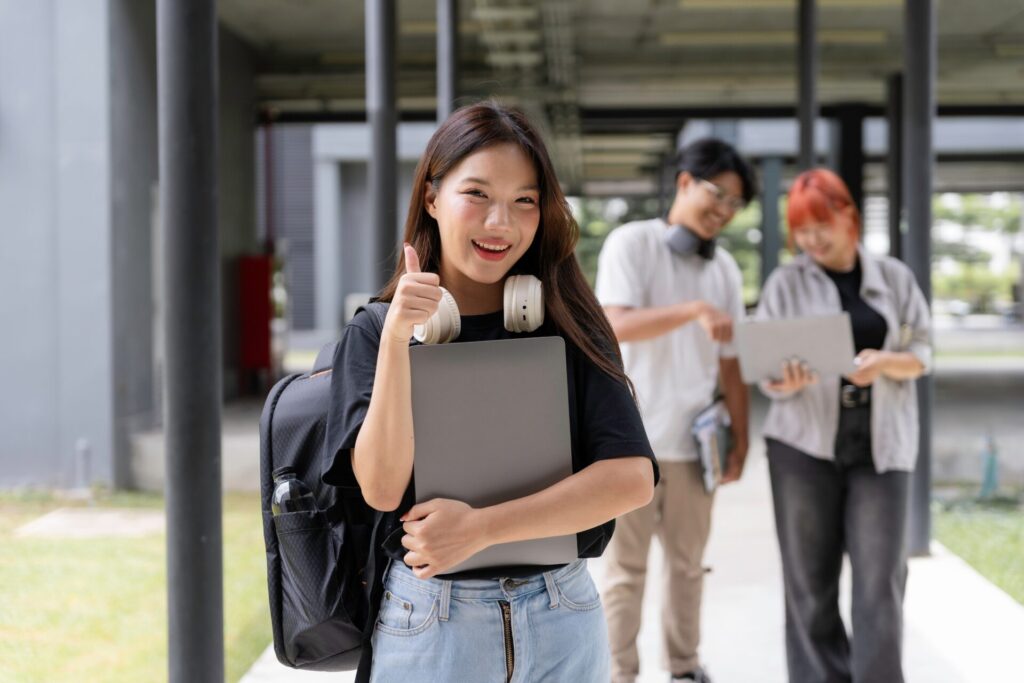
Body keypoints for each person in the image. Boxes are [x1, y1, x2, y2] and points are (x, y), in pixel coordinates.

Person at [324, 101, 659, 683]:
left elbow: (631, 478)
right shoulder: (376, 331)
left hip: (563, 616)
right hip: (432, 624)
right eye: (476, 194)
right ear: (432, 198)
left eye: (524, 201)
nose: (500, 222)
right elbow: (379, 489)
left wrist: (481, 527)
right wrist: (399, 340)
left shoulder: (569, 320)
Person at [756, 168, 931, 683]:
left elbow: (922, 350)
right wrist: (780, 381)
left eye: (821, 225)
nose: (812, 240)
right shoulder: (786, 282)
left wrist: (886, 362)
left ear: (848, 216)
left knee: (881, 584)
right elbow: (765, 363)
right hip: (802, 446)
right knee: (809, 586)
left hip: (882, 446)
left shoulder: (895, 277)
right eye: (802, 230)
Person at [595, 138, 757, 683]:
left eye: (735, 204)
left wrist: (742, 435)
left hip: (695, 447)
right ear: (684, 182)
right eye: (718, 195)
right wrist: (692, 310)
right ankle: (620, 673)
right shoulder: (631, 243)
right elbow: (613, 324)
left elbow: (731, 362)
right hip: (627, 446)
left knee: (688, 569)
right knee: (624, 573)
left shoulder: (726, 269)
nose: (724, 211)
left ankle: (684, 668)